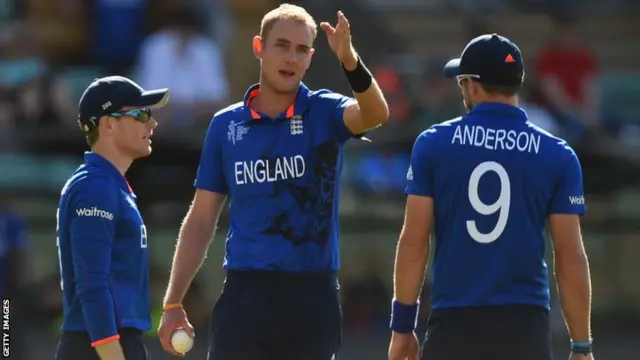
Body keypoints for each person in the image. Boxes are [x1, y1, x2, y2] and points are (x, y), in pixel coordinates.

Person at [157, 4, 389, 360]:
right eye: (281, 45)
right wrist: (173, 300)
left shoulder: (324, 112)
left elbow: (376, 114)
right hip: (244, 294)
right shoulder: (225, 126)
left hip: (312, 297)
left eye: (301, 50)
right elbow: (202, 219)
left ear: (311, 58)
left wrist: (350, 60)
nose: (291, 58)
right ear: (258, 48)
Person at [387, 34, 594, 360]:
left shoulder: (433, 144)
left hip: (454, 322)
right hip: (526, 326)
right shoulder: (559, 155)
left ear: (472, 85)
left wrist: (402, 328)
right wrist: (581, 346)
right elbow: (570, 258)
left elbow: (414, 243)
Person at [53, 76, 169, 360]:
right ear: (108, 124)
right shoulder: (95, 187)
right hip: (99, 348)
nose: (152, 124)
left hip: (111, 345)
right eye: (141, 114)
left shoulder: (110, 186)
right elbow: (92, 285)